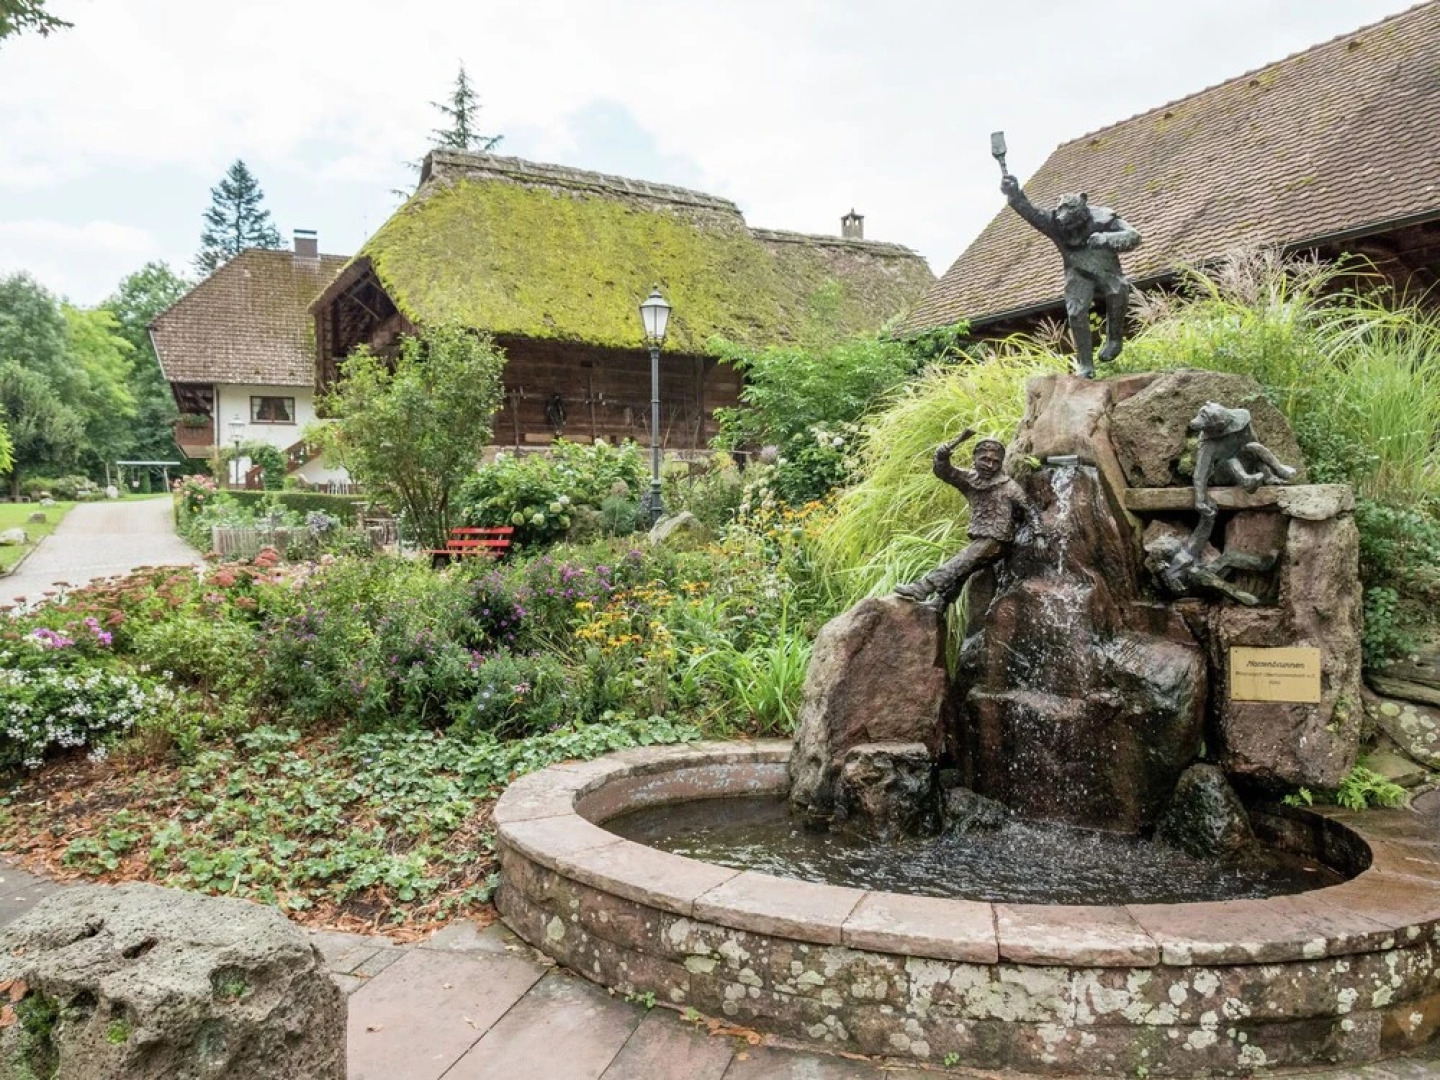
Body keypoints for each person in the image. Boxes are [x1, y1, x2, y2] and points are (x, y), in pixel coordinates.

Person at [1001, 174, 1140, 378]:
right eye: (1061, 210)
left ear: (1082, 209)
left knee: (1118, 291)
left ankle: (1114, 339)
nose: (1062, 216)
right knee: (1075, 312)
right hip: (1077, 270)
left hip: (1106, 267)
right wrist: (1015, 194)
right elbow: (1032, 213)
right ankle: (1085, 364)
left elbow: (1134, 236)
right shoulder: (1055, 223)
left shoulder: (1105, 218)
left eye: (1068, 210)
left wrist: (1106, 238)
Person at [893, 429, 1044, 611]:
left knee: (961, 561)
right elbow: (945, 472)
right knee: (964, 570)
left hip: (997, 540)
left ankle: (922, 588)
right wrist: (942, 456)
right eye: (985, 460)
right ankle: (941, 603)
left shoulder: (1009, 487)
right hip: (982, 537)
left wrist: (1039, 534)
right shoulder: (969, 479)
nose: (989, 465)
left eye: (995, 462)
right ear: (975, 458)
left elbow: (1030, 508)